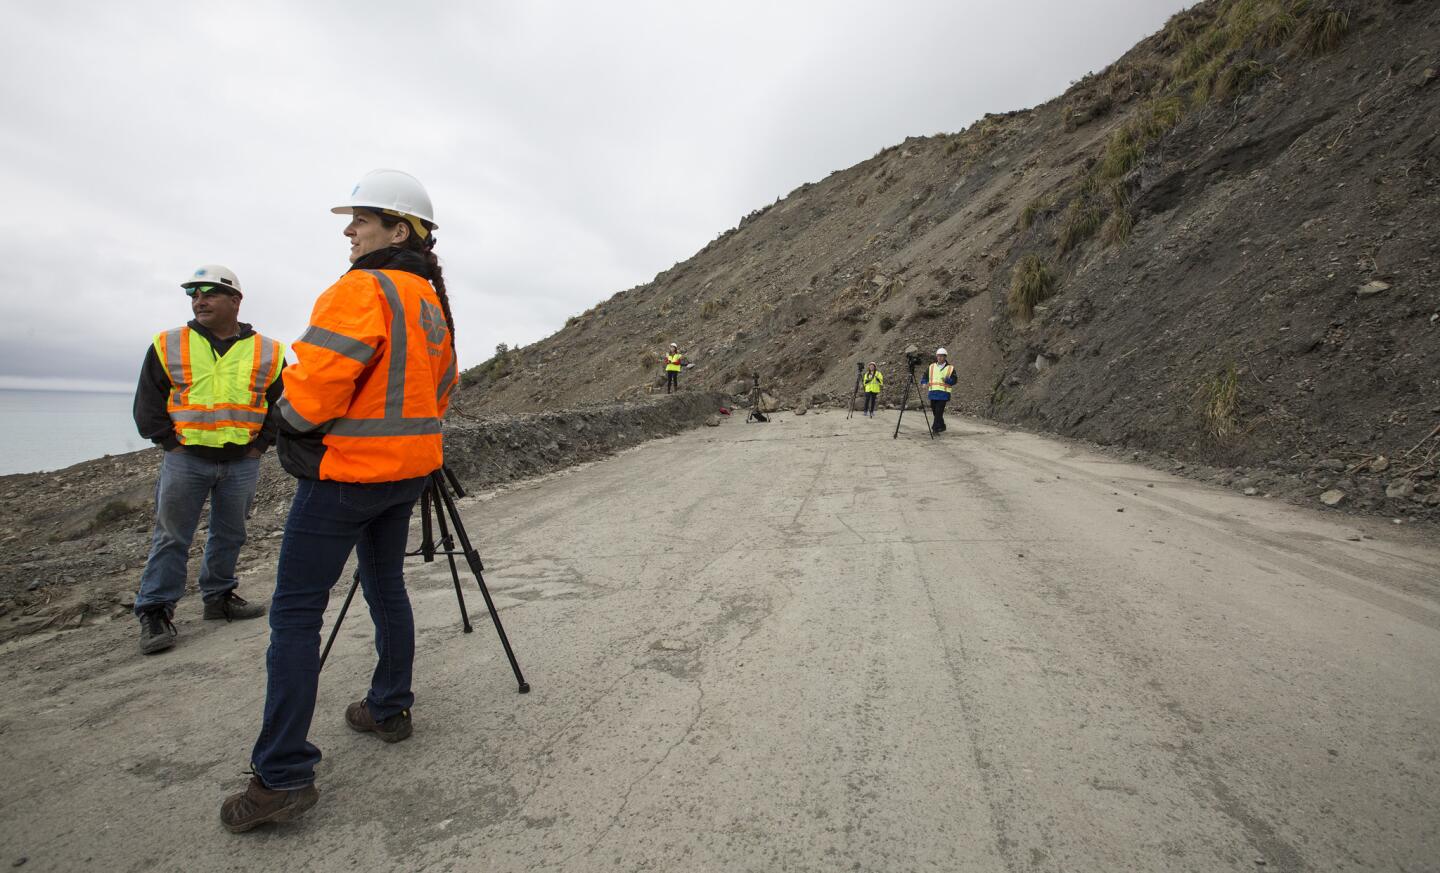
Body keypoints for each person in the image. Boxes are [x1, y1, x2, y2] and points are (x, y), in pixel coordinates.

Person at [220, 169, 458, 833]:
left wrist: (283, 415)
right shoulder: (430, 299)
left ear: (399, 229)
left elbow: (311, 395)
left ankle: (282, 776)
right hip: (407, 473)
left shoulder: (361, 290)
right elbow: (442, 389)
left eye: (361, 219)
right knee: (386, 585)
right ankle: (389, 707)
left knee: (295, 614)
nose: (349, 231)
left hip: (345, 477)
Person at [131, 265, 284, 654]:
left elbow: (281, 403)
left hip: (242, 461)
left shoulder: (269, 350)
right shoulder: (169, 344)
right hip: (186, 458)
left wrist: (260, 445)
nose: (199, 300)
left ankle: (218, 598)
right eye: (194, 294)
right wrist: (170, 442)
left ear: (235, 300)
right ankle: (155, 611)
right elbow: (148, 402)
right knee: (172, 536)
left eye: (210, 292)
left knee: (230, 532)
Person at [920, 347, 957, 433]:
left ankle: (934, 428)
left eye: (941, 356)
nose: (939, 358)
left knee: (939, 411)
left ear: (945, 357)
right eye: (938, 356)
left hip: (943, 394)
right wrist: (924, 383)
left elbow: (954, 380)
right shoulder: (931, 367)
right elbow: (925, 377)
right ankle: (942, 426)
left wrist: (947, 380)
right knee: (935, 411)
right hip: (933, 393)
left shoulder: (950, 368)